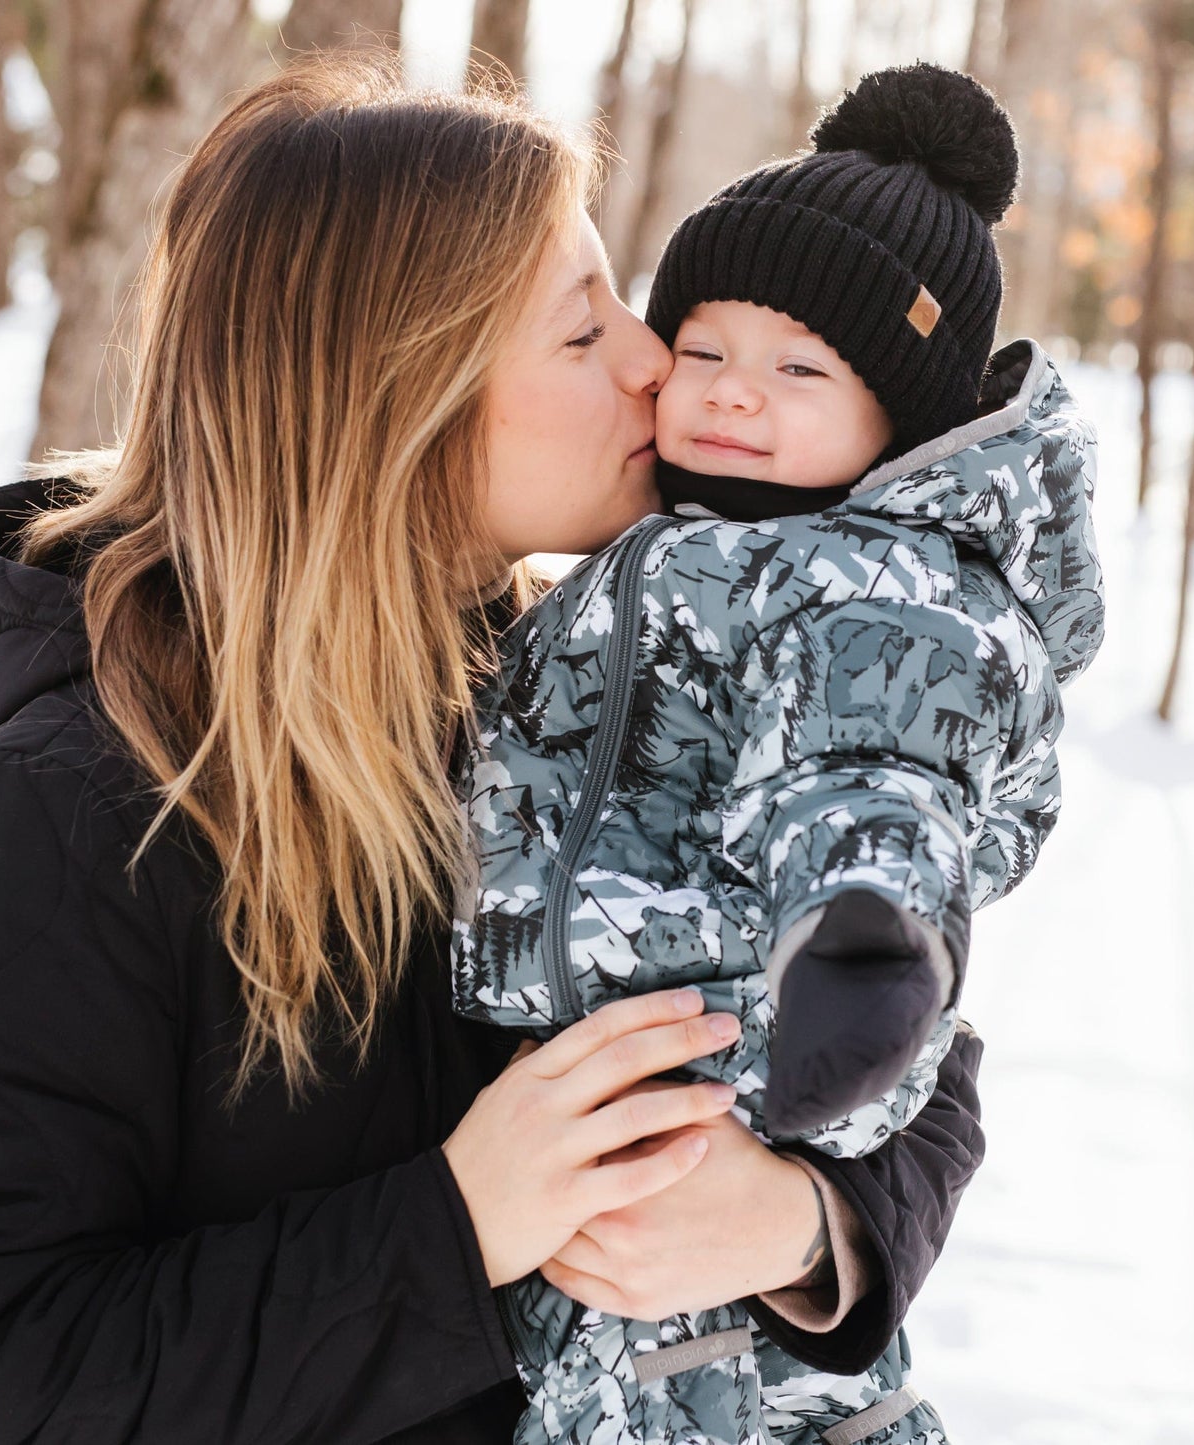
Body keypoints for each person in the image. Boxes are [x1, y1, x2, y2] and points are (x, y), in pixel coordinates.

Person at [0, 60, 986, 1445]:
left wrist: (808, 1227)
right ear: (394, 401)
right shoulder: (76, 815)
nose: (652, 356)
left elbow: (912, 1052)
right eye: (581, 333)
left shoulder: (612, 693)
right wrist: (450, 1227)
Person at [455, 64, 1103, 1444]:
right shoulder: (652, 551)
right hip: (594, 1089)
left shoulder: (879, 584)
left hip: (756, 1059)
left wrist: (855, 942)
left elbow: (873, 773)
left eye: (801, 369)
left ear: (899, 419)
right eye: (704, 350)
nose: (734, 396)